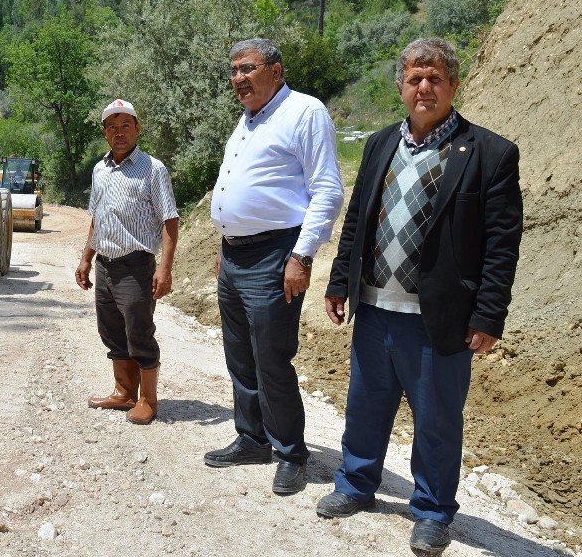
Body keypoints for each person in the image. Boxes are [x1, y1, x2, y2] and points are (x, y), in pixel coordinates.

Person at [317, 38, 523, 556]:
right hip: (375, 308)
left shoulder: (490, 153)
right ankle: (356, 483)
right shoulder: (381, 143)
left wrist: (489, 314)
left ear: (453, 84)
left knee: (436, 419)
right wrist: (340, 279)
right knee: (365, 404)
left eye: (434, 78)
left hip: (440, 318)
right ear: (401, 86)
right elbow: (359, 219)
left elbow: (502, 244)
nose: (423, 87)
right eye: (414, 78)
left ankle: (432, 511)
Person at [205, 39, 344, 495]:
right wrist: (226, 244)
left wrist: (301, 256)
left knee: (271, 358)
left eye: (248, 68)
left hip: (275, 255)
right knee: (239, 355)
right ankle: (252, 437)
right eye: (233, 70)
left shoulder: (304, 113)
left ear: (276, 71)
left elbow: (326, 190)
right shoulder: (246, 122)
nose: (238, 78)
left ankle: (290, 453)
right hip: (236, 253)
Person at [75, 99, 179, 425]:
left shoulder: (153, 169)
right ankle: (123, 393)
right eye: (112, 127)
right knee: (111, 332)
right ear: (104, 133)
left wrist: (164, 267)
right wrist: (86, 260)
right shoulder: (99, 169)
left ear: (137, 128)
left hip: (136, 266)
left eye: (125, 126)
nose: (119, 133)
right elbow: (97, 218)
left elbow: (170, 221)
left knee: (140, 332)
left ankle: (148, 399)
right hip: (105, 265)